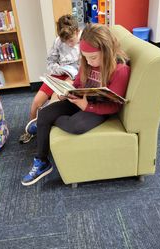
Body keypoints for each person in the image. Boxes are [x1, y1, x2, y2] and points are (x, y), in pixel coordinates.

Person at [21, 23, 131, 186]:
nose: (88, 61)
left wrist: (87, 106)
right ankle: (42, 161)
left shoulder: (120, 69)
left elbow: (115, 106)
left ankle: (45, 125)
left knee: (76, 126)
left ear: (107, 50)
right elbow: (78, 83)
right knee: (43, 113)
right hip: (80, 98)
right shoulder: (87, 62)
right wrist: (68, 91)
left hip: (98, 108)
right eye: (85, 57)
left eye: (93, 57)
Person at [19, 14, 81, 143]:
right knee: (36, 102)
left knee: (54, 99)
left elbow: (84, 68)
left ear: (77, 31)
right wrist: (61, 69)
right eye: (65, 41)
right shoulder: (58, 41)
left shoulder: (85, 41)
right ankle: (30, 129)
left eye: (71, 40)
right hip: (59, 72)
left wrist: (72, 72)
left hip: (74, 76)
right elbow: (50, 63)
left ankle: (43, 124)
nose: (68, 44)